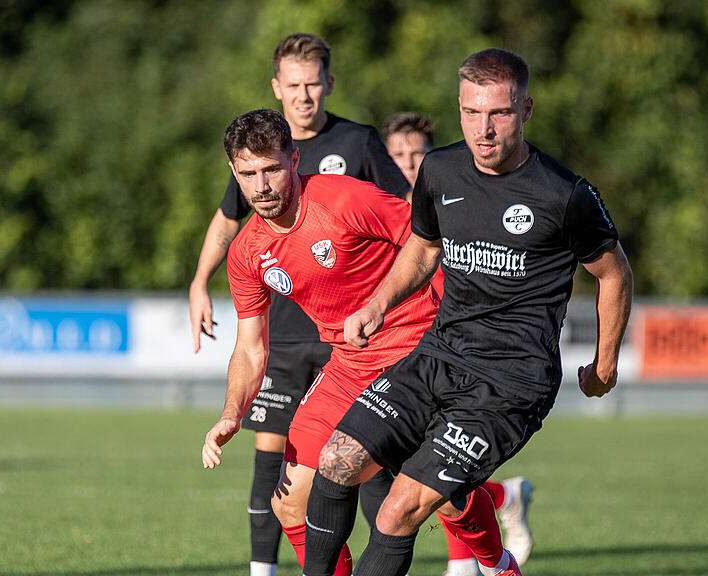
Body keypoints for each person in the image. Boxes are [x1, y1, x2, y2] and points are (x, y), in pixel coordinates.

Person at [302, 48, 634, 576]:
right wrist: (377, 304)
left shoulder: (565, 194)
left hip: (509, 383)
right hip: (438, 356)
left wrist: (606, 363)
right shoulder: (440, 169)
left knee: (397, 511)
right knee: (337, 460)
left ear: (525, 110)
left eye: (499, 113)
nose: (484, 129)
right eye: (471, 112)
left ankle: (493, 557)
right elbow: (423, 249)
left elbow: (614, 274)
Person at [188, 33, 408, 576]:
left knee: (413, 497)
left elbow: (423, 237)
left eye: (271, 170)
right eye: (248, 175)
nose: (261, 186)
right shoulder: (249, 253)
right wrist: (229, 413)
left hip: (410, 345)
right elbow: (248, 348)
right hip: (337, 357)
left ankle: (495, 560)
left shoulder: (346, 188)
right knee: (287, 497)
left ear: (295, 159)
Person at [383, 112, 535, 575]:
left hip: (458, 351)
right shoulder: (382, 209)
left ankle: (464, 566)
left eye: (418, 154)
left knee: (437, 467)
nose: (409, 164)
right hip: (401, 350)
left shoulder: (461, 200)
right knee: (408, 469)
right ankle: (504, 498)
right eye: (398, 156)